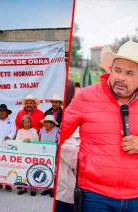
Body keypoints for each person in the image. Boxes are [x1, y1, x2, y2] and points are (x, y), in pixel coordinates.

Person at [61, 41, 138, 211]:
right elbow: (60, 132)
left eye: (129, 73)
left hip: (136, 196)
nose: (121, 77)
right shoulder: (86, 96)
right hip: (93, 194)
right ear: (110, 70)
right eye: (117, 70)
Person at [55, 80, 80, 212]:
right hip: (65, 193)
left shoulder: (80, 122)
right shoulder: (63, 124)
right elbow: (76, 158)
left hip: (78, 191)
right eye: (75, 98)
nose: (80, 102)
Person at [15, 116, 39, 196]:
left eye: (28, 122)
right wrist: (24, 141)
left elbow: (37, 142)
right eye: (25, 122)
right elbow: (16, 142)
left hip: (32, 154)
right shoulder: (20, 131)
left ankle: (33, 188)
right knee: (23, 170)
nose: (27, 124)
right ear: (22, 123)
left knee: (32, 170)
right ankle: (23, 187)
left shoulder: (34, 131)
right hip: (22, 155)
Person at [39, 115, 59, 198]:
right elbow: (39, 142)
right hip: (44, 155)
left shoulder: (57, 132)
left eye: (48, 123)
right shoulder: (41, 131)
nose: (46, 125)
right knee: (45, 171)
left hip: (54, 155)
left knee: (54, 172)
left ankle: (53, 189)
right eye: (45, 123)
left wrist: (57, 156)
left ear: (52, 124)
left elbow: (60, 144)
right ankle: (47, 188)